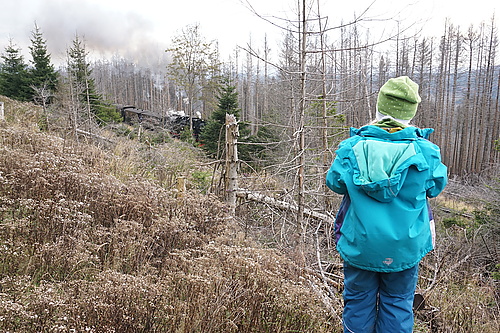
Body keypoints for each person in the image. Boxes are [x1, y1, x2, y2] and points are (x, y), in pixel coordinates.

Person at [326, 76, 447, 332]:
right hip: (405, 246)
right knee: (398, 303)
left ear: (379, 107)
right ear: (410, 113)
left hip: (361, 243)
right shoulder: (426, 152)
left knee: (358, 303)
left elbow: (335, 182)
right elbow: (436, 186)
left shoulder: (352, 147)